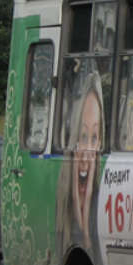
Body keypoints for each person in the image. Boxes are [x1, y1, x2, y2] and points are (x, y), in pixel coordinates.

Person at [57, 71, 102, 251]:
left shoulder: (100, 206)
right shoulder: (63, 203)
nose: (85, 155)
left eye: (94, 138)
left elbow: (87, 238)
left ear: (100, 143)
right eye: (83, 136)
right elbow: (76, 199)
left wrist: (88, 182)